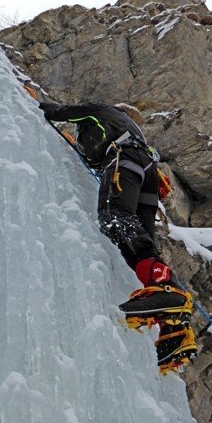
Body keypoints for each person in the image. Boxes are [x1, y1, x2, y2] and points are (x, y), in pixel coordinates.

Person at [38, 100, 177, 289]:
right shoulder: (132, 130)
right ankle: (162, 287)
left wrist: (39, 104)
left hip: (125, 159)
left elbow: (65, 111)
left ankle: (159, 282)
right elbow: (94, 161)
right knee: (138, 239)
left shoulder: (102, 110)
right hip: (147, 173)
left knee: (114, 216)